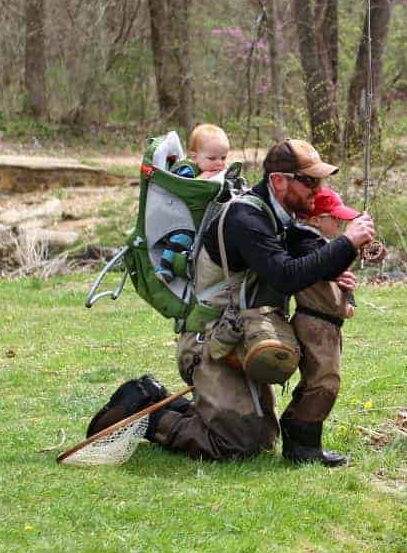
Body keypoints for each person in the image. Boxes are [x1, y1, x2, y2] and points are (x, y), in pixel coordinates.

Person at [88, 139, 376, 465]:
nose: (317, 189)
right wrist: (347, 242)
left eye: (320, 181)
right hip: (209, 343)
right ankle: (147, 409)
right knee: (239, 444)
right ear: (278, 181)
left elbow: (308, 256)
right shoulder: (245, 219)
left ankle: (303, 441)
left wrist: (339, 261)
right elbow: (284, 274)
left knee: (262, 438)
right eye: (309, 181)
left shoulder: (281, 216)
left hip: (243, 337)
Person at [281, 187, 363, 465]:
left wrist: (347, 293)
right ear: (315, 220)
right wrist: (352, 245)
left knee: (323, 381)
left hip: (327, 324)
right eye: (334, 218)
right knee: (323, 383)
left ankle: (303, 439)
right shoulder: (306, 240)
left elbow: (334, 274)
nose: (340, 224)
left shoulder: (323, 247)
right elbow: (326, 267)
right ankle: (303, 445)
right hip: (315, 324)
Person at [156, 123, 231, 282]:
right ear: (194, 156)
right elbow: (183, 187)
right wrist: (201, 180)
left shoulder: (213, 170)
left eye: (223, 158)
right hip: (178, 219)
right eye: (212, 158)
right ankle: (164, 268)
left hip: (200, 218)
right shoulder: (187, 170)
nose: (219, 163)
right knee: (183, 237)